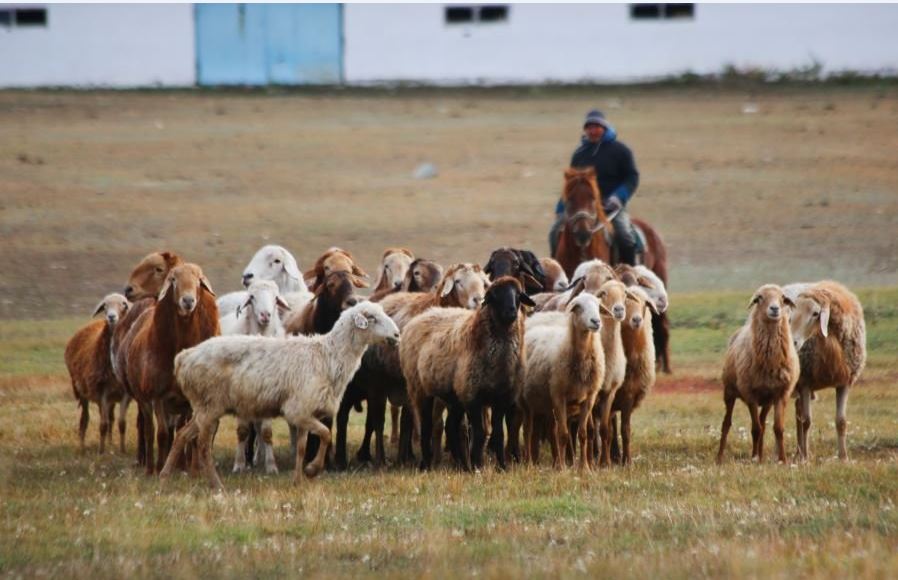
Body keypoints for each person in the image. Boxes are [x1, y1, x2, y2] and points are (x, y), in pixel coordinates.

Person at [549, 109, 640, 265]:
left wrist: (619, 197)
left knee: (624, 235)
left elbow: (632, 176)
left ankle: (630, 275)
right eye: (589, 127)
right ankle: (556, 274)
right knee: (554, 231)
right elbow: (571, 185)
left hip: (611, 206)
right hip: (581, 206)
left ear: (604, 128)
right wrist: (560, 208)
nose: (593, 131)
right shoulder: (580, 154)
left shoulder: (620, 150)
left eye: (597, 126)